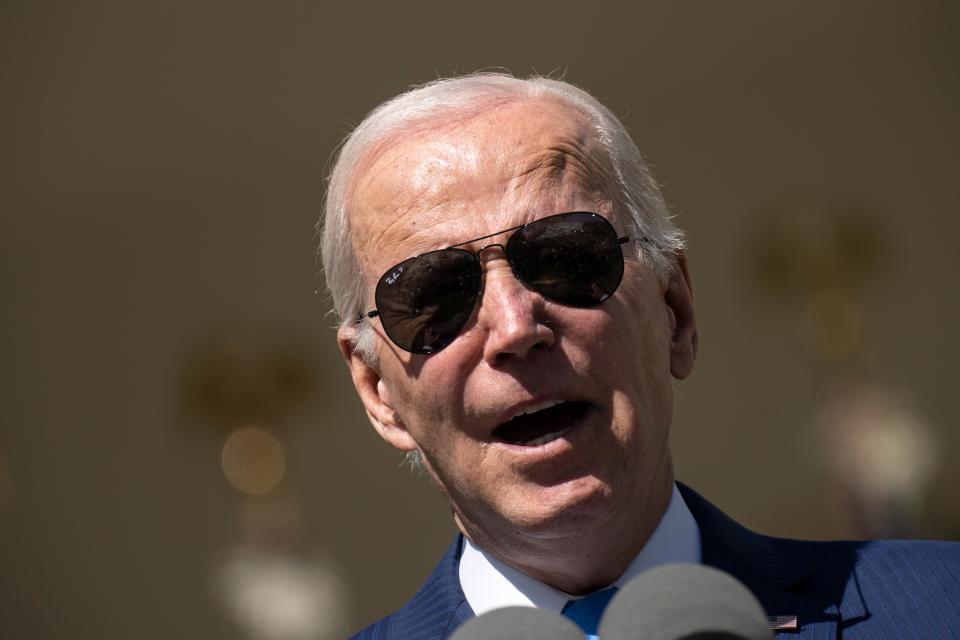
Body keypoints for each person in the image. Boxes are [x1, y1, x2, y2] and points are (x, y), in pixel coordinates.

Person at [319, 73, 959, 640]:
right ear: (377, 389)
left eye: (566, 259)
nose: (515, 327)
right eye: (435, 293)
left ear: (674, 311)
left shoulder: (940, 609)